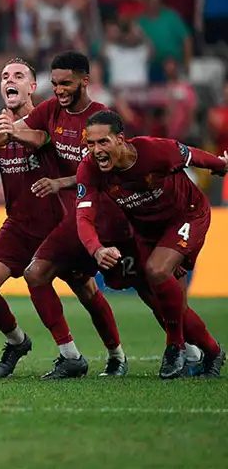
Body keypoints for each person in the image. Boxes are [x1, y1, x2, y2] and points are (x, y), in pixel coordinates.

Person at [0, 51, 126, 379]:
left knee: (86, 290)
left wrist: (5, 133)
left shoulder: (49, 118)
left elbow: (39, 138)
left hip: (58, 222)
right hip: (18, 225)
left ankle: (116, 354)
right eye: (4, 77)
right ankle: (18, 341)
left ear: (32, 86)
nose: (9, 81)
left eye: (17, 76)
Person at [77, 110, 226, 379]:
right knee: (169, 307)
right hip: (147, 230)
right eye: (91, 143)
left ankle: (175, 347)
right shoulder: (90, 168)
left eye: (103, 142)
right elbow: (83, 216)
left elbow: (192, 155)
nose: (96, 150)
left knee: (156, 270)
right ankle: (213, 352)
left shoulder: (154, 150)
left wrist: (220, 165)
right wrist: (96, 248)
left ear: (120, 140)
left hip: (188, 214)